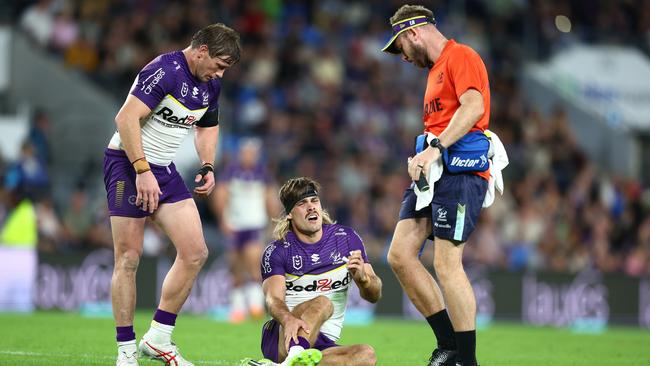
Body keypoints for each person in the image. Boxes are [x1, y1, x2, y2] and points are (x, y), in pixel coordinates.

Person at [103, 23, 241, 366]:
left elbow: (208, 126)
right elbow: (125, 118)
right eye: (219, 64)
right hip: (127, 164)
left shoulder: (211, 85)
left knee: (195, 252)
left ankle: (158, 337)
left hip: (163, 170)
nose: (220, 73)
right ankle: (126, 352)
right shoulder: (164, 70)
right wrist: (141, 170)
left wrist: (208, 165)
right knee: (129, 258)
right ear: (202, 51)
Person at [382, 5, 492, 366]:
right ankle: (449, 346)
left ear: (413, 32)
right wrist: (426, 155)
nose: (401, 56)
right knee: (399, 254)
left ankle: (468, 361)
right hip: (434, 172)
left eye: (399, 46)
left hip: (460, 171)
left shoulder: (461, 56)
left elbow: (474, 106)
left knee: (447, 263)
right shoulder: (434, 72)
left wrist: (435, 149)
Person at [242, 177, 381, 366]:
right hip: (283, 335)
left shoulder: (346, 239)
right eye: (302, 203)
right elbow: (273, 300)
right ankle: (294, 355)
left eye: (314, 201)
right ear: (290, 214)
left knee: (367, 355)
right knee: (324, 303)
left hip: (321, 344)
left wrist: (363, 280)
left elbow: (374, 294)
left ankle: (291, 364)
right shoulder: (278, 250)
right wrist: (288, 319)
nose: (311, 207)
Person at [211, 137, 279, 323]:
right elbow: (220, 195)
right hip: (235, 225)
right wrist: (223, 220)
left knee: (253, 263)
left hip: (254, 224)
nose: (249, 156)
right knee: (235, 267)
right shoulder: (231, 172)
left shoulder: (262, 173)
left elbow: (270, 198)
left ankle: (256, 307)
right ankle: (238, 309)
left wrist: (273, 222)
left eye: (252, 153)